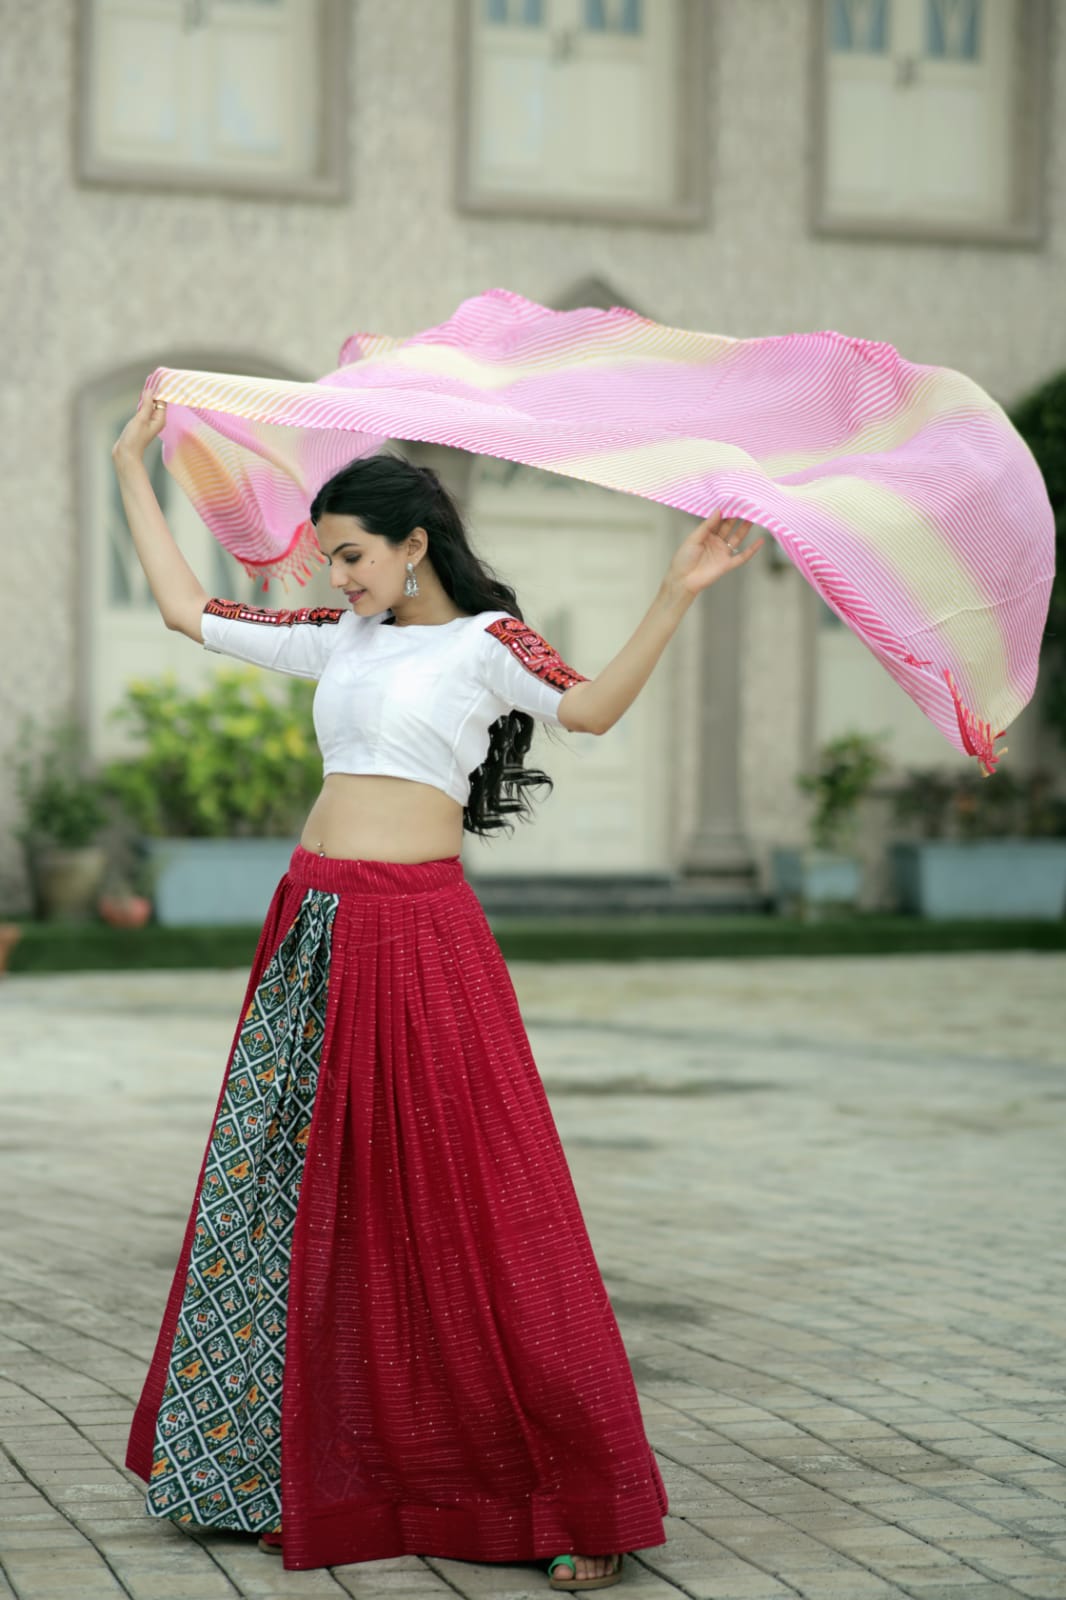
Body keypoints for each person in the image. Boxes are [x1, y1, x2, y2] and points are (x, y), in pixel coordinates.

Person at [112, 389, 762, 1591]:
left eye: (352, 555)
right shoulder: (336, 636)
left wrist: (675, 589)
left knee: (476, 1206)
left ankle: (576, 1495)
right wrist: (129, 470)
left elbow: (593, 710)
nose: (338, 575)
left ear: (415, 545)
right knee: (290, 1199)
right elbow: (178, 606)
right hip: (313, 927)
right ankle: (295, 1471)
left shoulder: (487, 646)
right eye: (326, 558)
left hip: (420, 942)